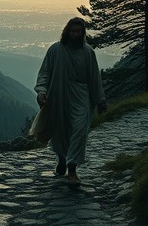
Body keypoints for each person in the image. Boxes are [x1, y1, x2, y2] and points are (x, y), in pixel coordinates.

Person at [36, 17, 107, 187]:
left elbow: (94, 77)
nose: (75, 34)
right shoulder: (55, 50)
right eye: (72, 31)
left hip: (81, 95)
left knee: (79, 129)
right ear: (67, 31)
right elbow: (45, 72)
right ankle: (62, 157)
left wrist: (100, 100)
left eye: (79, 31)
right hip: (59, 93)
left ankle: (72, 168)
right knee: (60, 131)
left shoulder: (88, 52)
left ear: (83, 33)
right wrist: (41, 91)